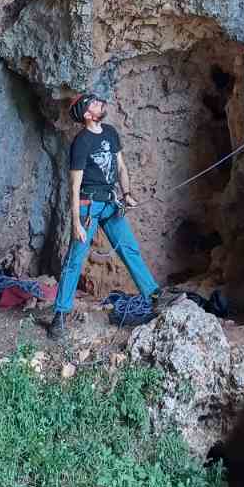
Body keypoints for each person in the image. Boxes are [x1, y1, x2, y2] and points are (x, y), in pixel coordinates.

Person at [47, 91, 160, 340]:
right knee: (75, 259)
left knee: (128, 248)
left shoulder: (109, 132)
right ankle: (60, 316)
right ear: (87, 114)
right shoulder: (81, 143)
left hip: (110, 202)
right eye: (94, 103)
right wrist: (76, 222)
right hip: (88, 206)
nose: (100, 103)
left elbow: (120, 166)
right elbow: (74, 186)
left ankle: (153, 297)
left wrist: (127, 193)